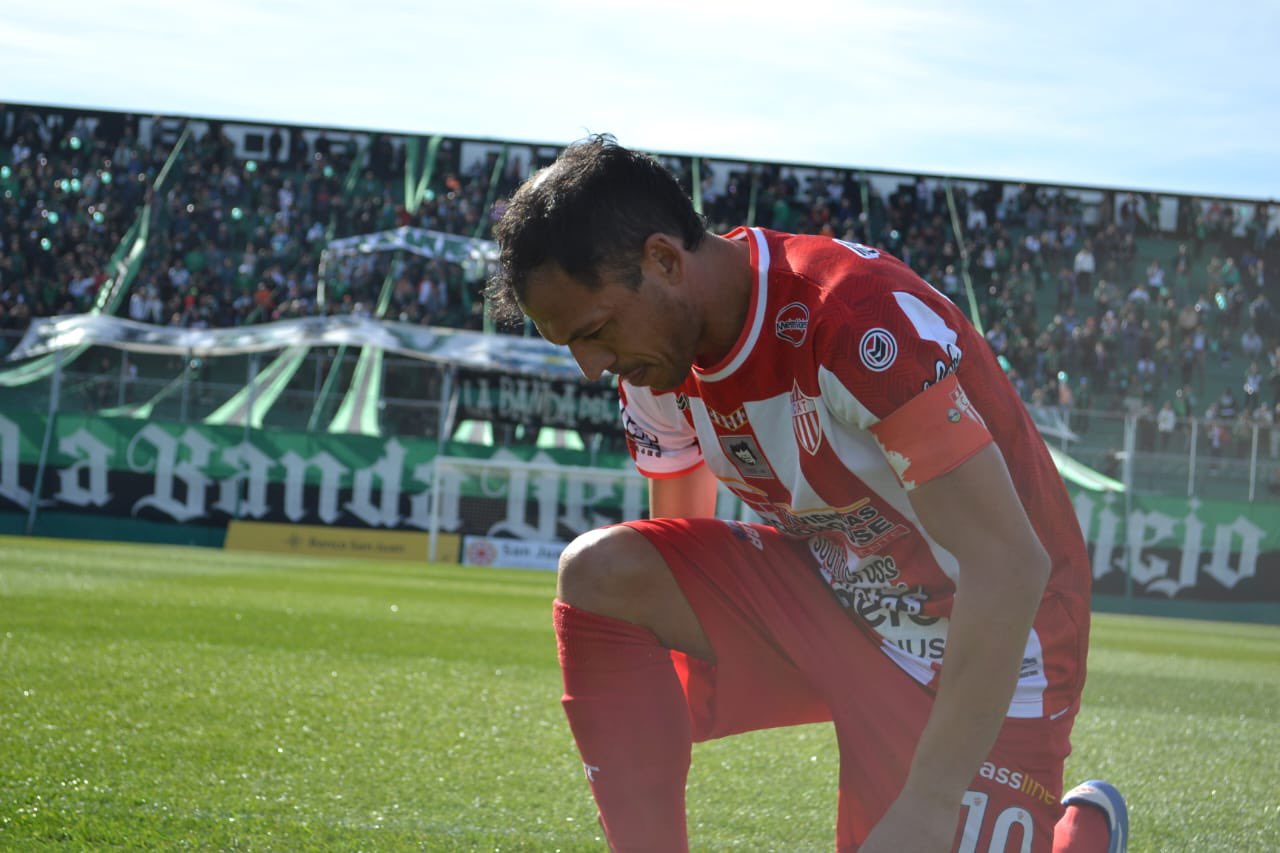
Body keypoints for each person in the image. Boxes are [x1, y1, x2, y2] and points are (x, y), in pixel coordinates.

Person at [486, 136, 1127, 853]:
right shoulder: (655, 362)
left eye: (596, 332)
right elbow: (669, 550)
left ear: (665, 260)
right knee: (602, 573)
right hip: (841, 604)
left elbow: (1008, 566)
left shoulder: (854, 321)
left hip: (996, 639)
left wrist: (928, 804)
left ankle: (1084, 832)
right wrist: (660, 696)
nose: (591, 368)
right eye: (572, 344)